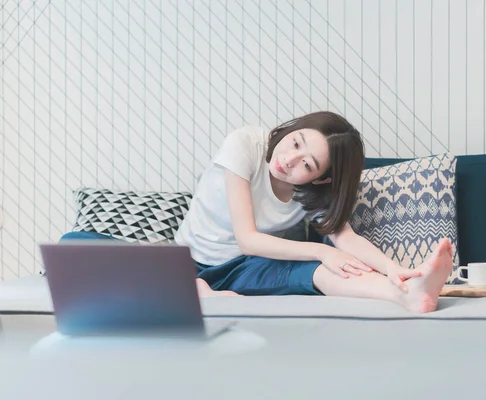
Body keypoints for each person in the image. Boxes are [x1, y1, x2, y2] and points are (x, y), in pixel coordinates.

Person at [61, 111, 454, 313]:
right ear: (292, 129)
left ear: (319, 180)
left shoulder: (308, 195)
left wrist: (395, 272)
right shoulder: (246, 143)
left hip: (243, 268)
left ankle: (406, 296)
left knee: (321, 271)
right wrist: (321, 249)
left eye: (309, 164)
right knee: (73, 243)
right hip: (183, 261)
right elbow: (248, 234)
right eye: (296, 142)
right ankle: (193, 288)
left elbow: (345, 238)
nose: (290, 159)